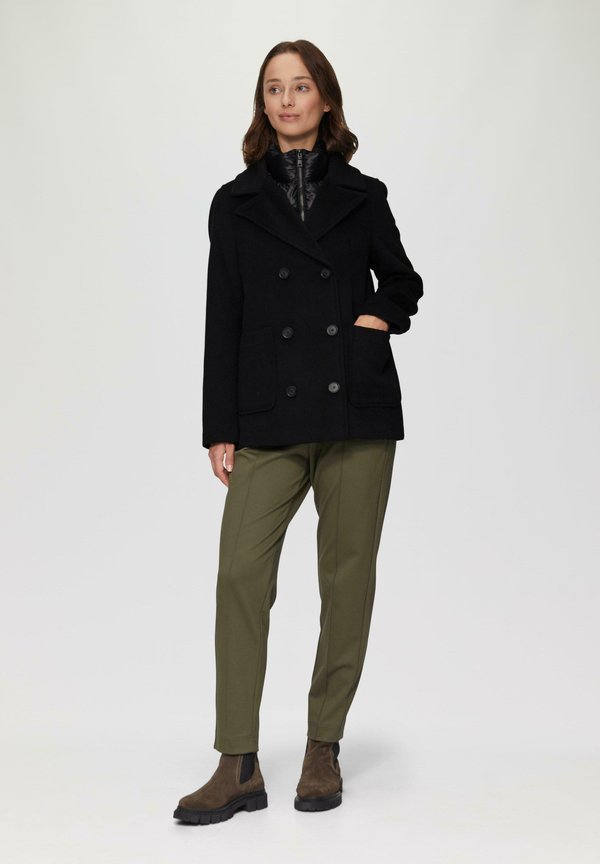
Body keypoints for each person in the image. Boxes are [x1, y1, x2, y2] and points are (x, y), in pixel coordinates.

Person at [173, 39, 423, 825]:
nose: (286, 100)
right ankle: (237, 762)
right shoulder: (235, 202)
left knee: (347, 581)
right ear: (264, 104)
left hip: (355, 411)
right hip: (269, 415)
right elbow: (223, 314)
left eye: (300, 86)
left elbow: (404, 281)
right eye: (274, 89)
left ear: (325, 99)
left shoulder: (363, 194)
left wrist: (376, 319)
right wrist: (219, 425)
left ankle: (323, 746)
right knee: (239, 575)